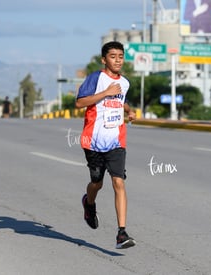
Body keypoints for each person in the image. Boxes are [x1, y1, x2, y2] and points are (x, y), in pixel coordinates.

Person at [75, 41, 136, 249]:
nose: (117, 60)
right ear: (104, 59)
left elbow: (120, 100)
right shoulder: (96, 78)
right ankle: (89, 204)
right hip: (92, 140)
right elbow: (80, 102)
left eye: (120, 56)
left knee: (118, 182)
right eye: (113, 56)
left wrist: (129, 110)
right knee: (97, 184)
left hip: (116, 140)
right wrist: (105, 93)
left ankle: (121, 233)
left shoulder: (125, 83)